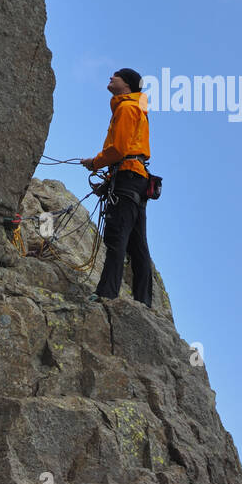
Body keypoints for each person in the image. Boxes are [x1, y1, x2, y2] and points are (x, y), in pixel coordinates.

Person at [80, 68, 152, 307]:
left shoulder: (126, 108)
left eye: (116, 76)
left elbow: (119, 150)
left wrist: (95, 163)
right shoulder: (135, 108)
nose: (110, 78)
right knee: (136, 243)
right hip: (136, 178)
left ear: (127, 84)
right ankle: (144, 301)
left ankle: (106, 293)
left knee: (117, 235)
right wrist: (110, 179)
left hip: (128, 177)